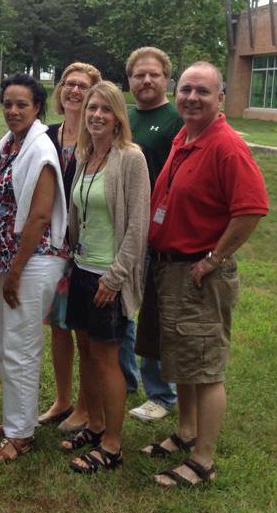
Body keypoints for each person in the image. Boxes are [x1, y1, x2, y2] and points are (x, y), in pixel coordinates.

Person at [143, 63, 268, 487]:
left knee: (206, 367)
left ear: (220, 99)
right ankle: (186, 431)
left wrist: (213, 259)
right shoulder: (185, 136)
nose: (192, 98)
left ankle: (203, 460)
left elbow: (251, 209)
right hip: (170, 267)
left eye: (203, 91)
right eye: (186, 89)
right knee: (183, 359)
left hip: (198, 273)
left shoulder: (226, 145)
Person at [61, 81, 150, 474]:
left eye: (105, 109)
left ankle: (112, 446)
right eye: (92, 108)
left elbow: (138, 227)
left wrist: (115, 277)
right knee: (87, 352)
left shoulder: (130, 158)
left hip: (108, 277)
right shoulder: (86, 157)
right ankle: (95, 425)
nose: (97, 115)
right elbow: (78, 215)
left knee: (107, 358)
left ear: (118, 117)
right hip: (81, 270)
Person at [0, 73, 68, 462]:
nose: (13, 110)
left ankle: (21, 435)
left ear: (37, 107)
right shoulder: (10, 143)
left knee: (21, 346)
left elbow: (39, 216)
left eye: (22, 104)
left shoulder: (40, 150)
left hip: (33, 261)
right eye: (8, 104)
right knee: (6, 343)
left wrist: (15, 272)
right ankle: (15, 419)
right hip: (9, 260)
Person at [38, 63, 101, 433]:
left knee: (83, 331)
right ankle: (62, 400)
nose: (74, 91)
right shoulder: (46, 135)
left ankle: (85, 406)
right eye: (69, 84)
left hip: (83, 247)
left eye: (83, 86)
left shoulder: (97, 140)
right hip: (49, 247)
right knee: (57, 327)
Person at [122, 47, 183, 422]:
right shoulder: (125, 117)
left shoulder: (176, 120)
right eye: (138, 75)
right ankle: (123, 379)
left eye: (154, 74)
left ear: (166, 79)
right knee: (120, 307)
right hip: (123, 228)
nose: (146, 80)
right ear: (129, 79)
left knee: (154, 313)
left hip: (158, 232)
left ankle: (160, 393)